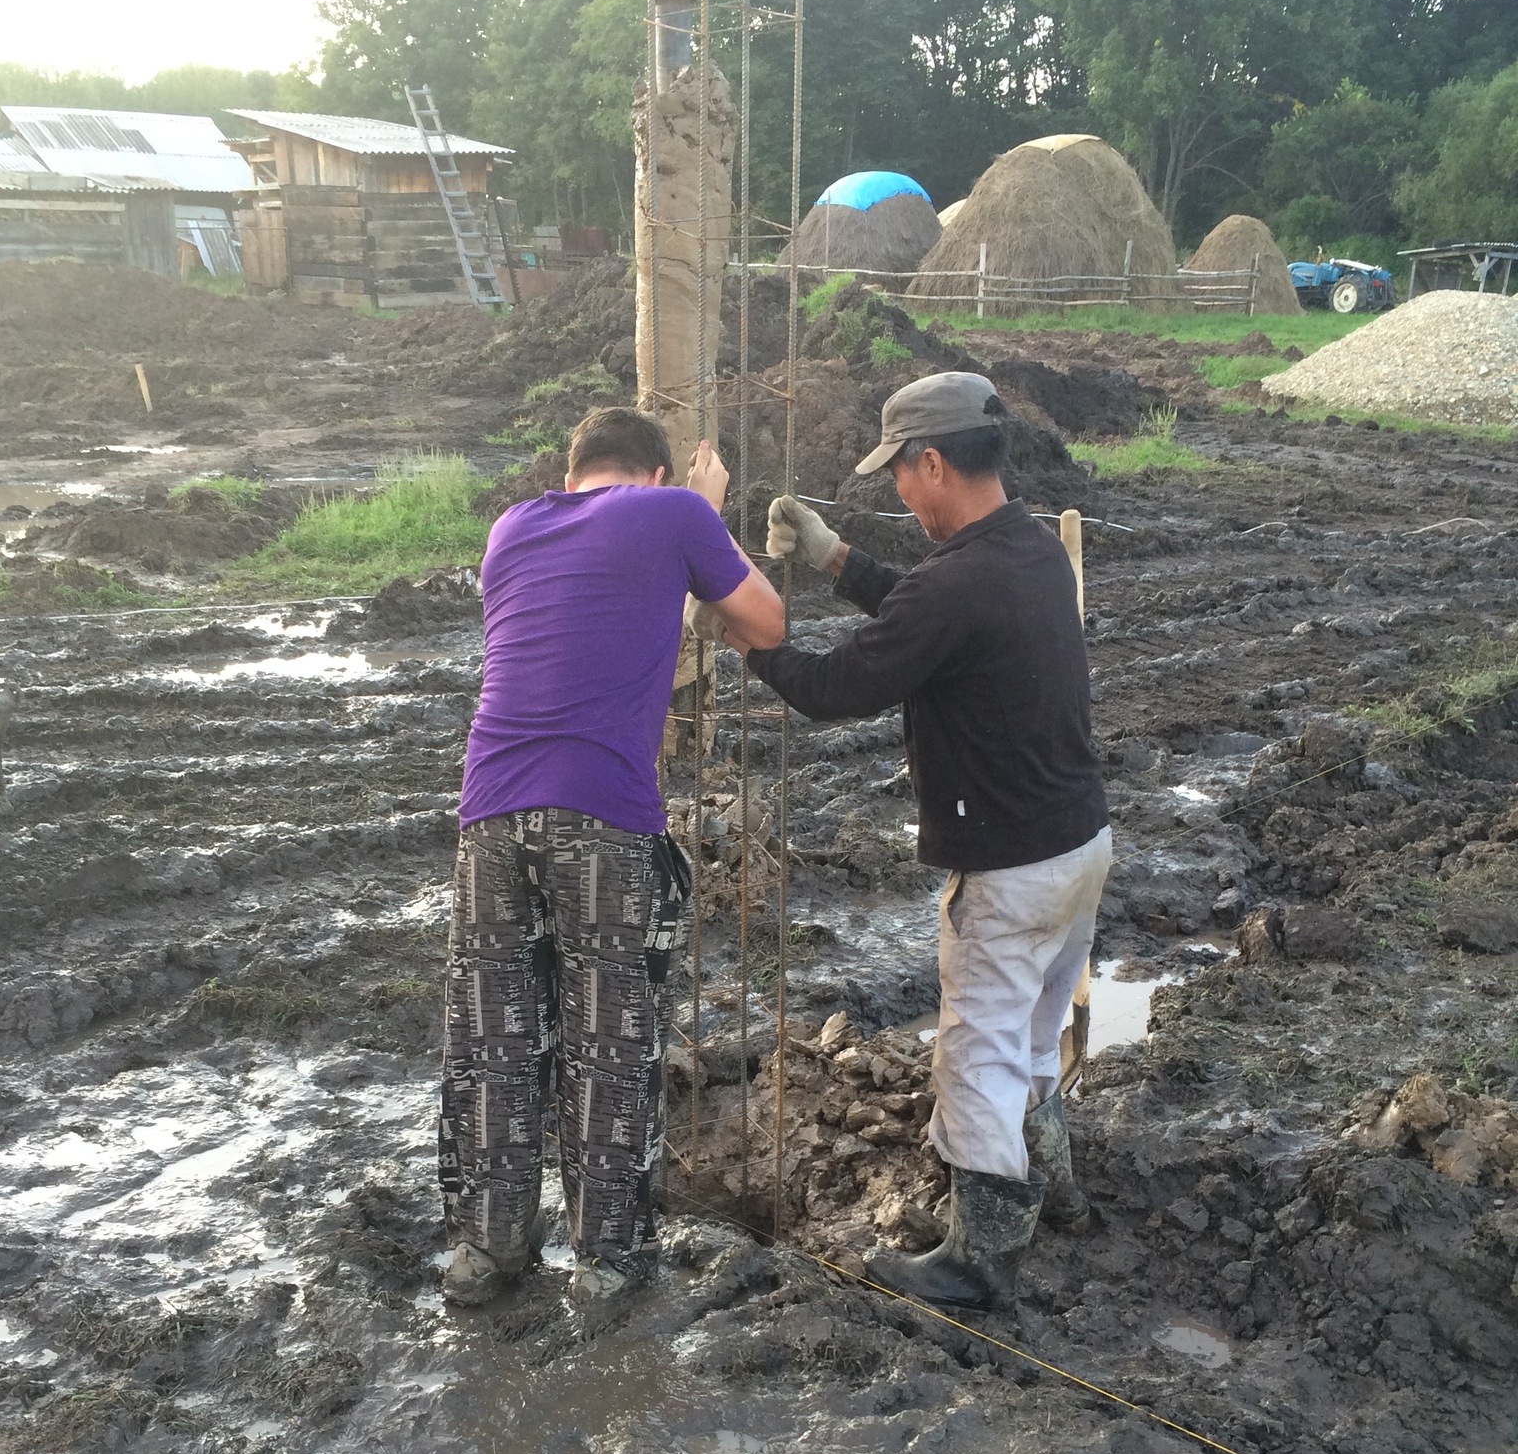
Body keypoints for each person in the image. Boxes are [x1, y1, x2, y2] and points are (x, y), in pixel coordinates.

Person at [700, 370, 1110, 1310]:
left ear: (934, 462)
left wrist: (746, 641)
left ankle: (979, 1261)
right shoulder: (1031, 550)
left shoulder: (959, 583)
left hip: (1008, 870)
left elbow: (840, 687)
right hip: (1080, 846)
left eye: (900, 475)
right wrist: (840, 559)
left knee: (974, 1056)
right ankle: (1058, 1190)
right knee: (1036, 1036)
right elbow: (928, 614)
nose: (897, 492)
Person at [443, 405, 785, 1304]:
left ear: (571, 478)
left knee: (497, 1041)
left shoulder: (511, 527)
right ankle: (607, 1266)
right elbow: (767, 620)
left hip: (488, 814)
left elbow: (593, 602)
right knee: (606, 1043)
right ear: (658, 476)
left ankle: (487, 1252)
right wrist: (708, 511)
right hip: (600, 812)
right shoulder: (673, 514)